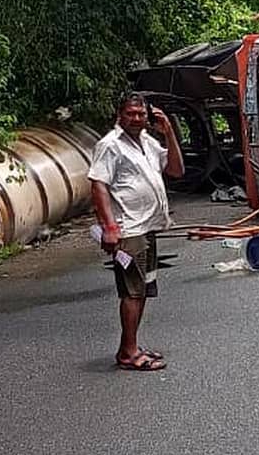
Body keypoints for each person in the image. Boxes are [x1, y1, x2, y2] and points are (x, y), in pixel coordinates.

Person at [89, 91, 185, 371]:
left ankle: (128, 346)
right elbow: (98, 185)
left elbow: (176, 170)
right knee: (132, 291)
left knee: (142, 289)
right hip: (128, 229)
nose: (136, 118)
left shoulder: (148, 142)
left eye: (141, 114)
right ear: (120, 115)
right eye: (130, 113)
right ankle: (128, 353)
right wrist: (109, 228)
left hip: (148, 226)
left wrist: (168, 132)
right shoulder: (110, 145)